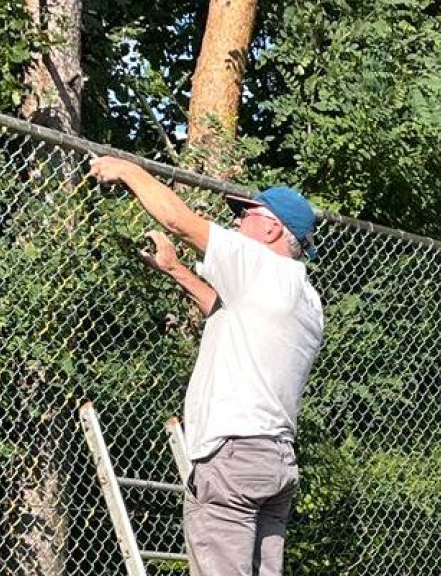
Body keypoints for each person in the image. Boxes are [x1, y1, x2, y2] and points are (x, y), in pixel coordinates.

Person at [88, 157, 324, 576]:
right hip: (275, 462)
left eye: (244, 215)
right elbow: (225, 310)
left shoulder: (258, 265)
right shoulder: (305, 296)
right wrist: (176, 269)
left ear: (271, 228)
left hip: (233, 457)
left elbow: (178, 220)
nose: (235, 224)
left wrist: (125, 170)